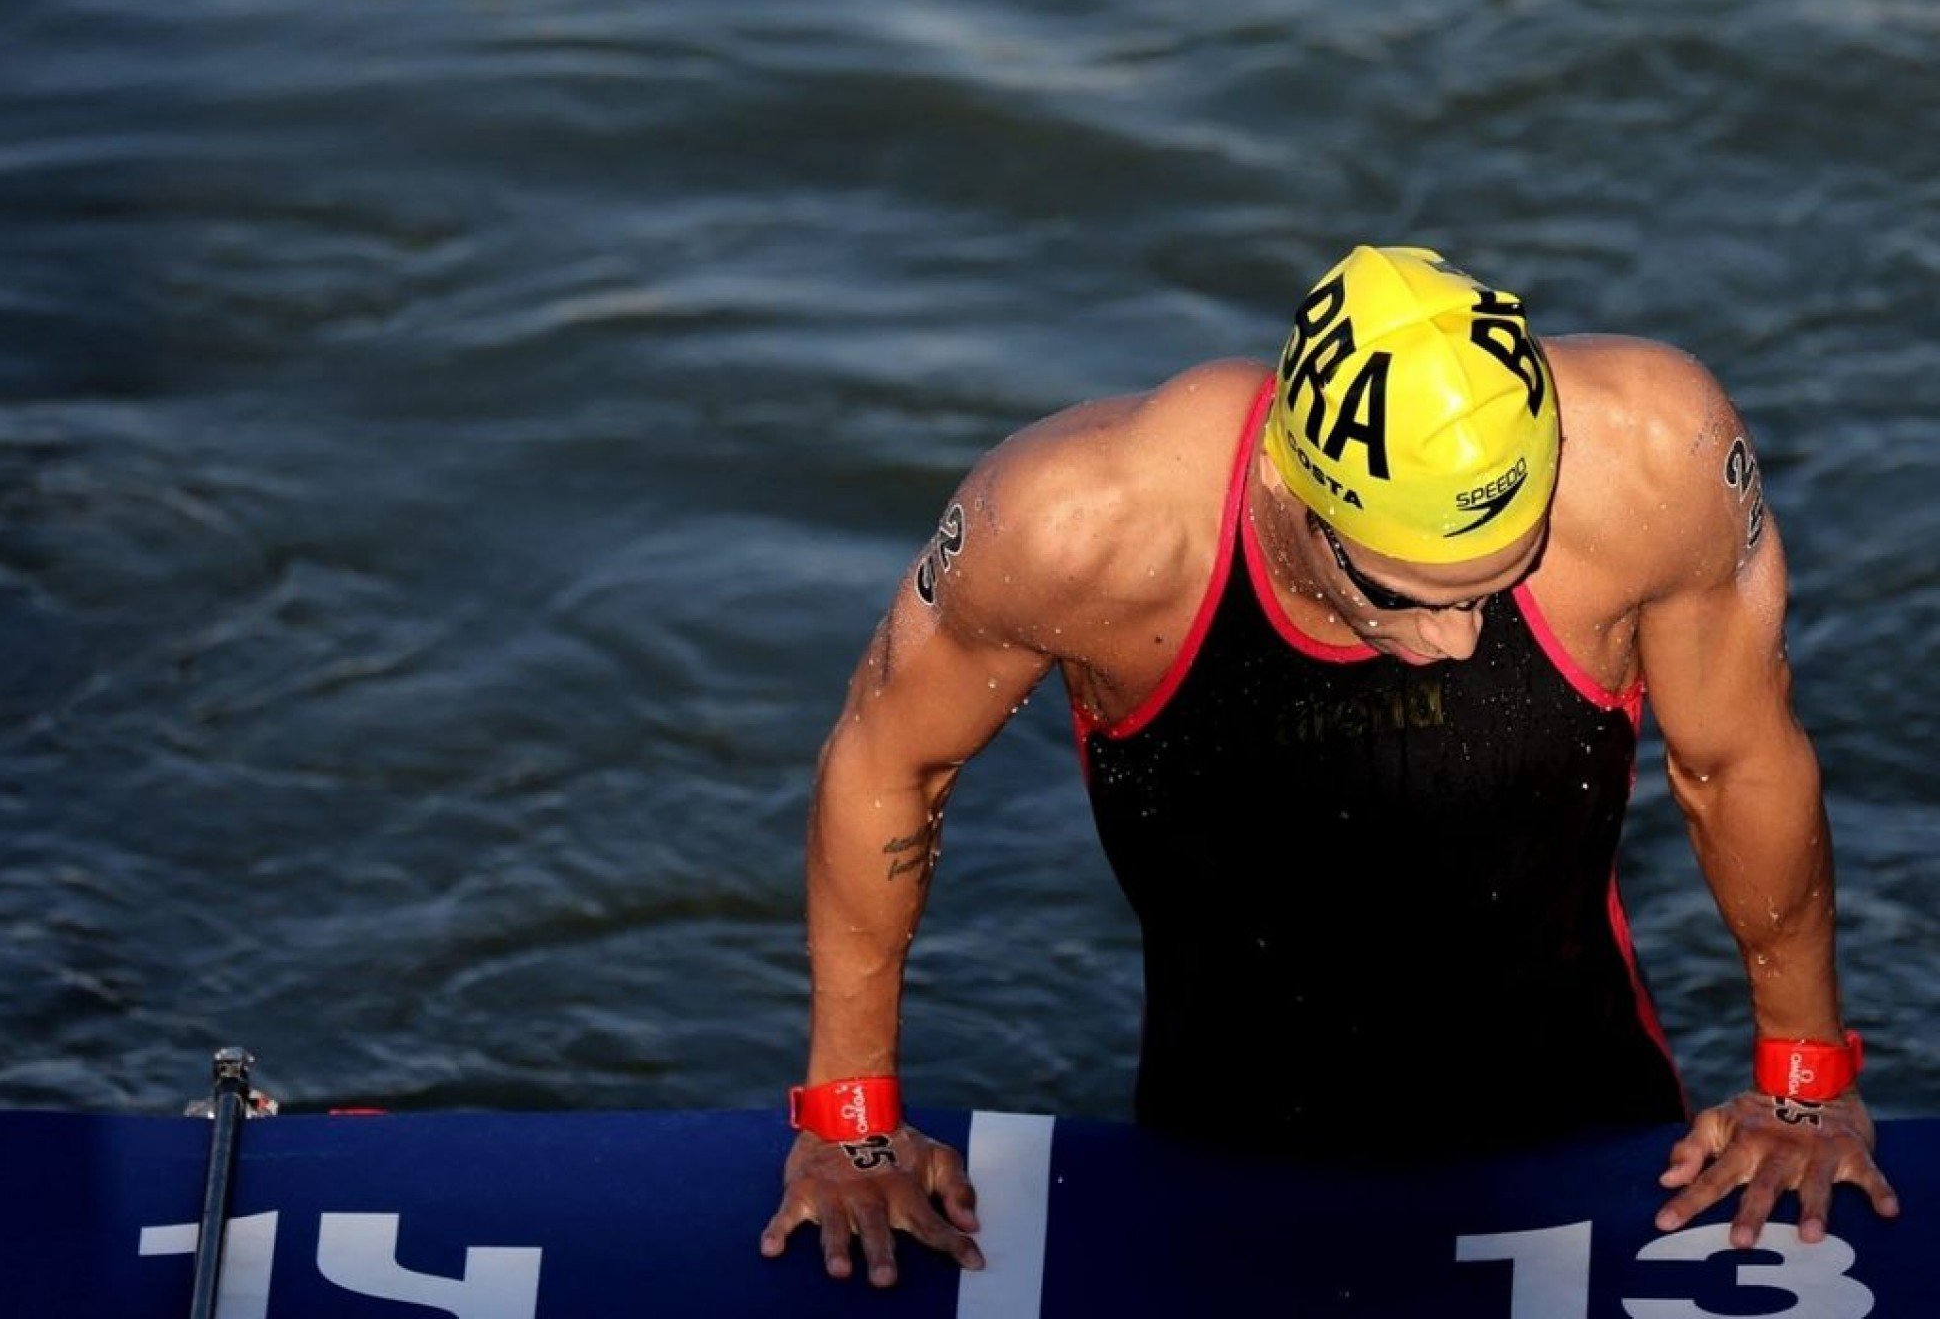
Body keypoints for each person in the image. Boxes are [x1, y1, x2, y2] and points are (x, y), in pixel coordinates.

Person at [757, 244, 1899, 1287]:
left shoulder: (1654, 460)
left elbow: (1738, 758)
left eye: (1508, 572)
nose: (1461, 637)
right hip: (1225, 1125)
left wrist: (1804, 1083)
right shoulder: (1080, 530)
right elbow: (887, 761)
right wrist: (853, 1118)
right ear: (1290, 489)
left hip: (1585, 1098)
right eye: (1410, 595)